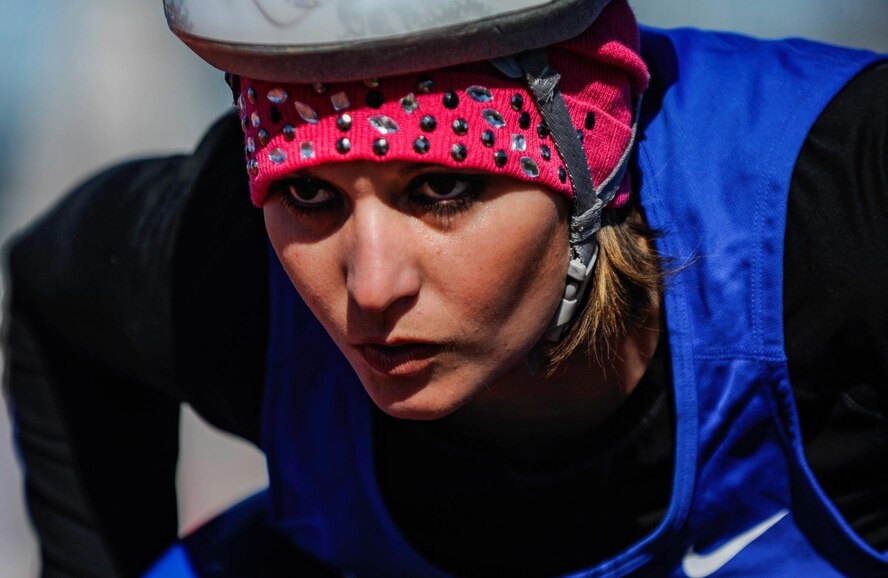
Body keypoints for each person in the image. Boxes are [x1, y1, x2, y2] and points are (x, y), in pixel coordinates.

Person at [3, 0, 887, 576]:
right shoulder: (228, 264)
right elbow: (56, 290)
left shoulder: (843, 208)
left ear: (594, 157)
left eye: (441, 186)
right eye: (309, 195)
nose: (369, 285)